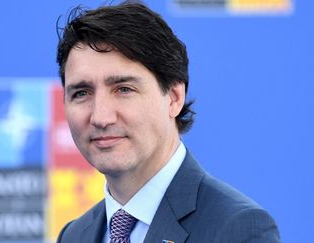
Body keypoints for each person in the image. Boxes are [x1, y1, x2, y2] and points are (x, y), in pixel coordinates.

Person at [55, 1, 281, 242]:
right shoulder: (74, 235)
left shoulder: (237, 228)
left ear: (174, 98)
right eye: (81, 93)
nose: (100, 117)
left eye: (123, 89)